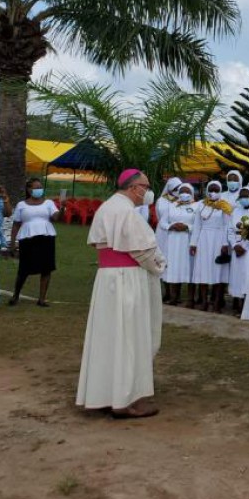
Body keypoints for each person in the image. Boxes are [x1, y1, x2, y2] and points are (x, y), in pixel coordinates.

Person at [77, 169, 165, 418]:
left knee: (110, 336)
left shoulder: (107, 207)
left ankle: (105, 393)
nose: (147, 192)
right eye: (146, 187)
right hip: (128, 279)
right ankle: (124, 400)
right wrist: (159, 266)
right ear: (134, 187)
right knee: (129, 336)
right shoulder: (126, 212)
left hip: (108, 279)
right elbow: (144, 251)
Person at [8, 178, 64, 308]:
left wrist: (63, 208)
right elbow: (16, 224)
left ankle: (42, 299)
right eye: (36, 187)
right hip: (27, 238)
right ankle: (15, 295)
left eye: (40, 187)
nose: (39, 190)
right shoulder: (21, 205)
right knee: (24, 269)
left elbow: (56, 218)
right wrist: (12, 242)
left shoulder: (49, 203)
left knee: (46, 268)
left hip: (46, 236)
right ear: (29, 189)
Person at [189, 180, 232, 312]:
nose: (213, 193)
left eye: (216, 190)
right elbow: (197, 225)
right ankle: (204, 301)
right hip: (203, 239)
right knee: (203, 270)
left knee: (218, 271)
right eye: (211, 190)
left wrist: (225, 243)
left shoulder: (224, 206)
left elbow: (227, 226)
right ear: (207, 191)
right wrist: (193, 244)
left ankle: (217, 303)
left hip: (219, 239)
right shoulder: (201, 205)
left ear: (220, 191)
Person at [160, 182, 197, 306]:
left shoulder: (196, 206)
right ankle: (174, 297)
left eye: (187, 191)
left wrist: (187, 226)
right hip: (173, 241)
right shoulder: (171, 206)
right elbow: (163, 223)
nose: (184, 194)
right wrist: (172, 225)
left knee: (189, 268)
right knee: (173, 267)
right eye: (182, 191)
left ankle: (190, 299)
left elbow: (198, 224)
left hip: (188, 241)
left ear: (191, 193)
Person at [229, 188, 249, 316]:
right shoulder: (235, 211)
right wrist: (235, 245)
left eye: (246, 196)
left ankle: (246, 307)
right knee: (237, 277)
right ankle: (237, 303)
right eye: (241, 196)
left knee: (247, 277)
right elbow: (230, 230)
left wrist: (244, 246)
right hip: (237, 248)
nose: (243, 198)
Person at [155, 177, 182, 268]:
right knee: (163, 252)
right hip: (163, 231)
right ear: (170, 189)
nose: (178, 190)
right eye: (176, 188)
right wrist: (167, 225)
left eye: (180, 188)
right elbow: (158, 216)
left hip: (178, 230)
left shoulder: (182, 200)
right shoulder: (161, 200)